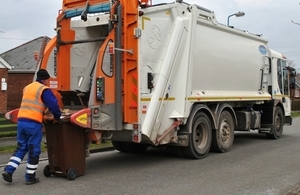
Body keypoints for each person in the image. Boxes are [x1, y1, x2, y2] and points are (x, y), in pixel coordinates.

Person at [2, 69, 61, 185]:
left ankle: (8, 170)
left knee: (21, 147)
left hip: (21, 121)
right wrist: (58, 117)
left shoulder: (27, 87)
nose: (48, 83)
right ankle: (30, 177)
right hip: (33, 123)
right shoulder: (44, 89)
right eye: (47, 80)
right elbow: (53, 105)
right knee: (34, 150)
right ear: (44, 80)